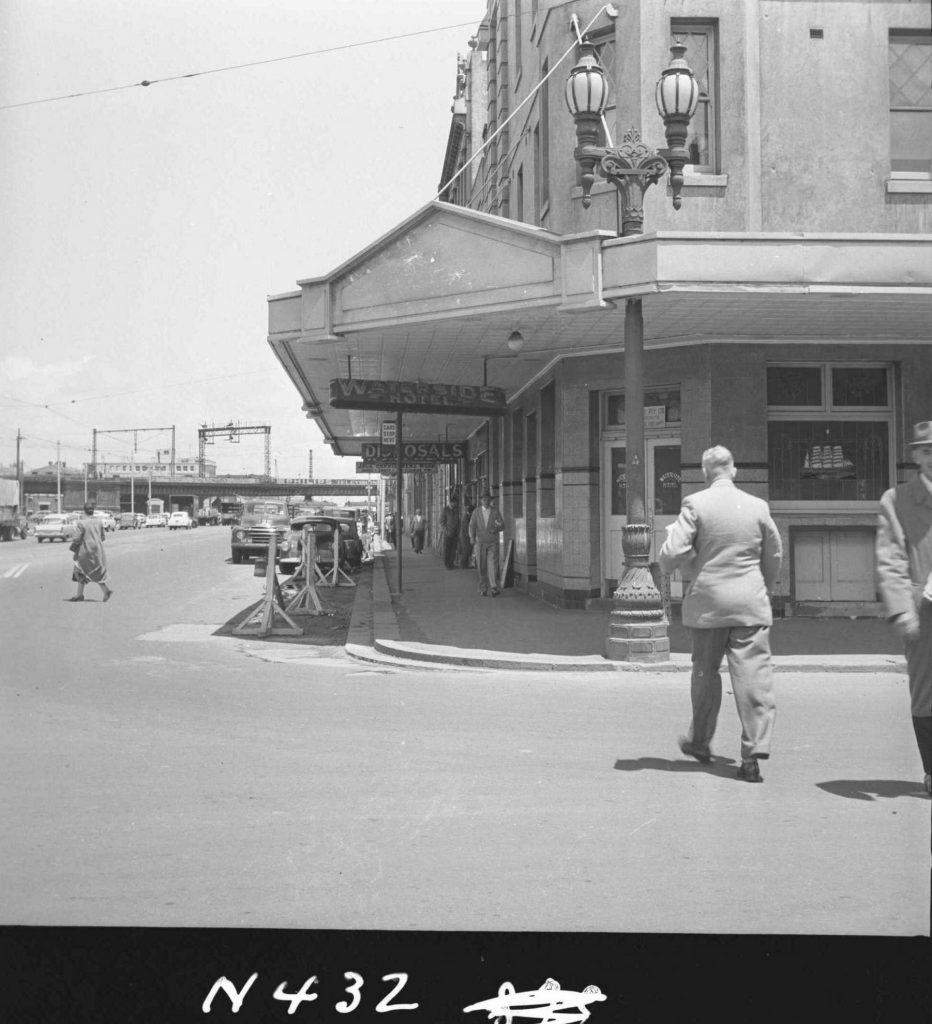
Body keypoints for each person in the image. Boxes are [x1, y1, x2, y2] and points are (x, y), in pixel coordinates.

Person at [659, 445, 783, 783]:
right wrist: (762, 588)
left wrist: (684, 561)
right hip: (750, 606)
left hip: (709, 606)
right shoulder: (758, 507)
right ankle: (754, 750)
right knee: (753, 678)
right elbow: (774, 554)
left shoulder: (696, 504)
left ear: (704, 473)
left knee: (704, 675)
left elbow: (672, 552)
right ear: (734, 470)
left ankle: (700, 741)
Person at [875, 420, 932, 797]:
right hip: (924, 608)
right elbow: (890, 557)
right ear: (915, 455)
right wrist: (901, 609)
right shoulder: (896, 499)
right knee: (927, 692)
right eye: (928, 451)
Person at [69, 502, 113, 602]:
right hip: (98, 551)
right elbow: (103, 537)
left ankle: (80, 594)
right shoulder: (99, 522)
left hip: (85, 552)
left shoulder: (82, 523)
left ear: (84, 511)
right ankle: (102, 591)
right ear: (93, 511)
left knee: (79, 570)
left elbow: (76, 538)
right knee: (95, 571)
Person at [468, 490, 505, 597]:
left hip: (492, 541)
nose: (486, 501)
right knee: (481, 566)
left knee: (492, 564)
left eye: (488, 499)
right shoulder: (476, 512)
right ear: (481, 501)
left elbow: (502, 525)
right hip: (480, 543)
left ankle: (493, 587)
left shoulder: (495, 511)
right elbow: (472, 525)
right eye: (484, 500)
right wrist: (471, 537)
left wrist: (497, 528)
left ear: (490, 500)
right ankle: (483, 588)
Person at [439, 499, 460, 569]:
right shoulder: (445, 510)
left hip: (455, 534)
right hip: (447, 534)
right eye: (454, 503)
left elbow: (458, 521)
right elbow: (442, 522)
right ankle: (447, 564)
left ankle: (451, 563)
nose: (455, 504)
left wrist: (458, 531)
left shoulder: (456, 510)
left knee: (453, 550)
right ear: (451, 503)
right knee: (447, 550)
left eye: (456, 503)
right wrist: (446, 531)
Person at [458, 503, 475, 569]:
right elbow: (468, 528)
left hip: (465, 537)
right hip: (465, 537)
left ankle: (465, 565)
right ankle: (464, 566)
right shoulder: (466, 518)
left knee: (466, 551)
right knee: (465, 551)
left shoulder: (467, 517)